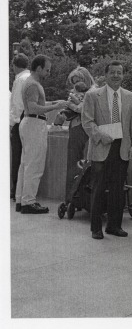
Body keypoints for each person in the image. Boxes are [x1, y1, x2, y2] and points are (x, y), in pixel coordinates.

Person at [81, 61, 132, 239]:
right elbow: (87, 122)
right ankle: (96, 228)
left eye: (119, 72)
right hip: (102, 145)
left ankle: (114, 226)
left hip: (122, 147)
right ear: (105, 75)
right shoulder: (92, 96)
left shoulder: (130, 96)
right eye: (112, 72)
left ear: (123, 75)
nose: (116, 75)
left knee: (118, 189)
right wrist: (100, 135)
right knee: (98, 189)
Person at [15, 55, 68, 214]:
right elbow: (32, 108)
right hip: (34, 124)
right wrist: (54, 107)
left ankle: (21, 200)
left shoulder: (31, 83)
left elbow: (38, 104)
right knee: (34, 165)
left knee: (25, 164)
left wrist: (57, 102)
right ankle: (28, 202)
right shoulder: (32, 84)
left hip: (30, 124)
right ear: (39, 68)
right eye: (47, 70)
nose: (49, 73)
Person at [61, 67, 96, 203]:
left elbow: (83, 108)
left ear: (86, 78)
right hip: (75, 128)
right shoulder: (77, 92)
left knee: (88, 164)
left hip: (87, 129)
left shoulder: (93, 91)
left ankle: (86, 198)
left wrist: (72, 104)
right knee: (73, 164)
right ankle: (70, 198)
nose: (76, 84)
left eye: (79, 80)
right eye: (74, 82)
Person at [9, 53, 30, 201]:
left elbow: (16, 104)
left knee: (17, 157)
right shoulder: (30, 78)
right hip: (29, 119)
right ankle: (22, 190)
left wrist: (11, 124)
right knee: (26, 157)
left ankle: (15, 190)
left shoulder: (19, 80)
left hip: (19, 120)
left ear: (14, 66)